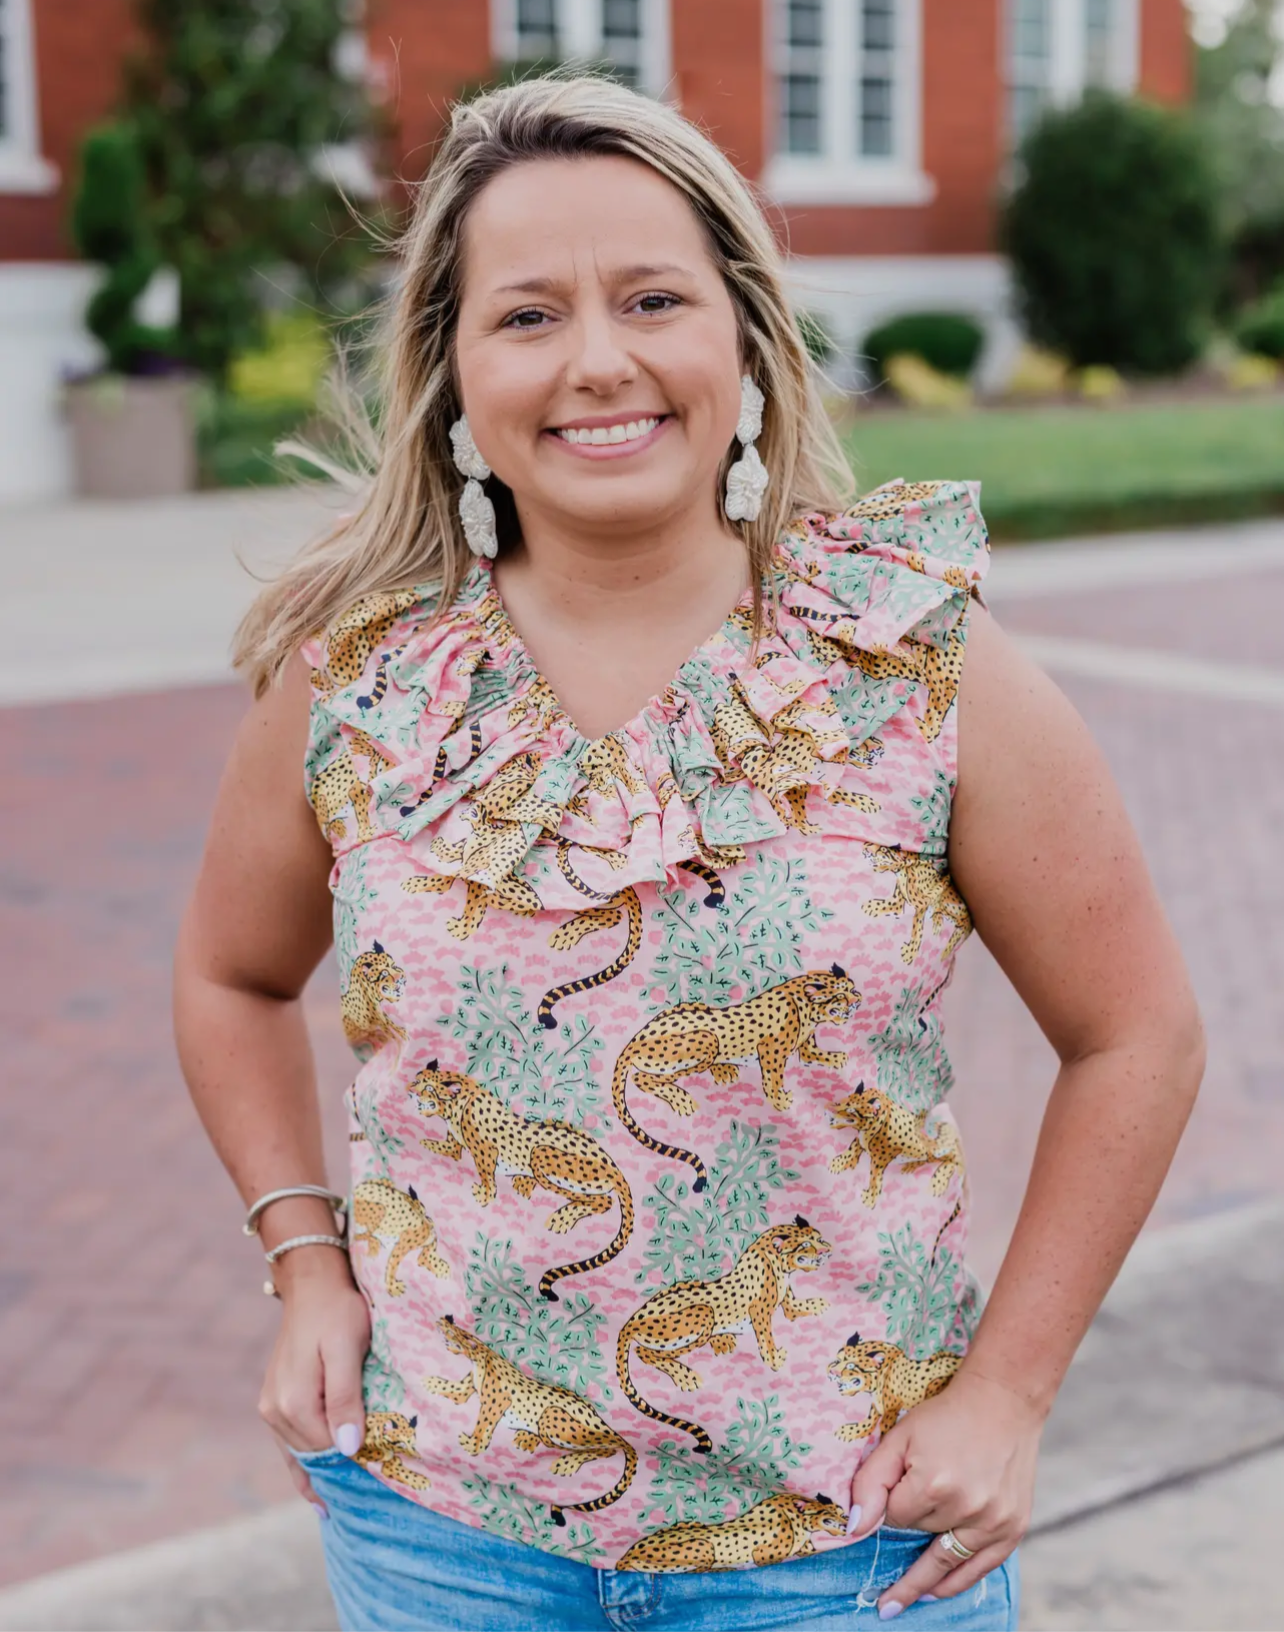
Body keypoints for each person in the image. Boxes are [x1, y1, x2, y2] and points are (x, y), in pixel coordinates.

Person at [173, 74, 1204, 1632]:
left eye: (652, 297)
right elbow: (228, 976)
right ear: (453, 375)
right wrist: (304, 1262)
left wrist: (1011, 1395)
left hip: (842, 1545)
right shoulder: (360, 686)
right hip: (444, 1535)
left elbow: (1138, 1036)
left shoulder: (913, 666)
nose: (600, 361)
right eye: (527, 316)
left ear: (742, 335)